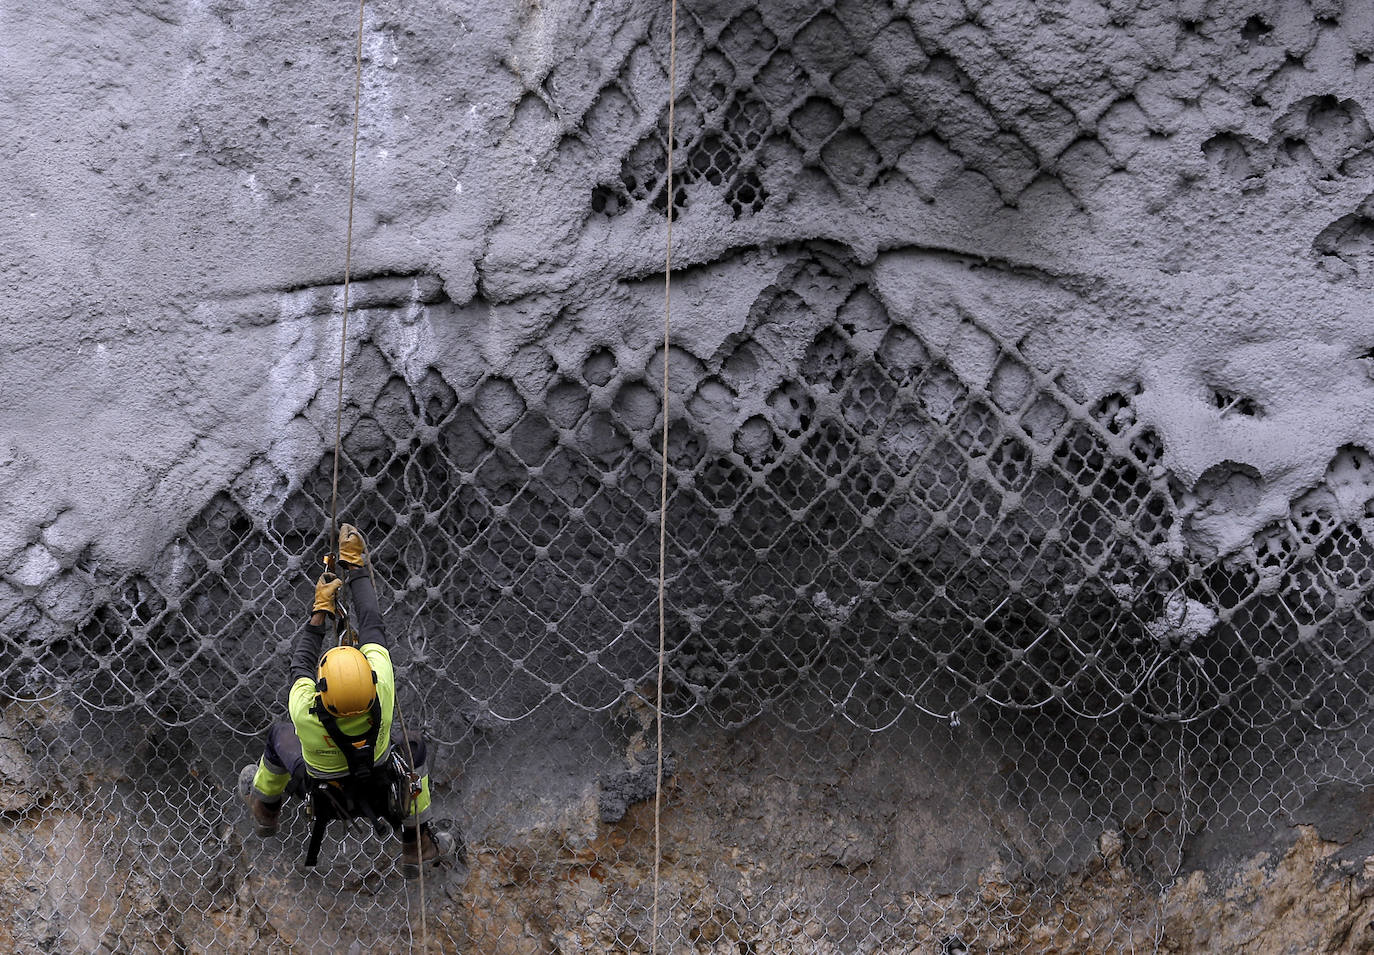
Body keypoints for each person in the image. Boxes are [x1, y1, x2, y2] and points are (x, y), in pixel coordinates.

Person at [240, 523, 439, 873]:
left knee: (277, 737)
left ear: (322, 693)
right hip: (379, 787)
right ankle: (416, 842)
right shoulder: (383, 689)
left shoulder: (306, 713)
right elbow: (373, 623)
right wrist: (356, 567)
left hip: (320, 793)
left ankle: (266, 809)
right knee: (414, 748)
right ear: (370, 679)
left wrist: (321, 610)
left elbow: (300, 663)